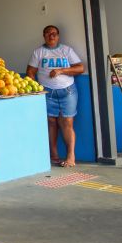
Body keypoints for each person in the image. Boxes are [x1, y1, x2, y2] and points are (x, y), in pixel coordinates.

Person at [26, 25, 85, 168]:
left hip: (68, 91)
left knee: (67, 122)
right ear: (44, 36)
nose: (51, 36)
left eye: (54, 33)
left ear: (58, 36)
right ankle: (54, 156)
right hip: (47, 92)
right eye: (47, 33)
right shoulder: (38, 52)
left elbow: (80, 68)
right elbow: (30, 72)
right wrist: (36, 88)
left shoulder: (66, 50)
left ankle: (71, 157)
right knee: (51, 122)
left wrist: (61, 70)